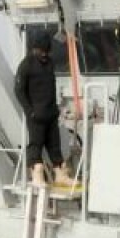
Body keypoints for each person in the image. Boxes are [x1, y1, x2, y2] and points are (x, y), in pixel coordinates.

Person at [14, 32, 77, 187]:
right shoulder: (26, 65)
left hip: (50, 112)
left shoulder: (49, 63)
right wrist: (30, 111)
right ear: (35, 49)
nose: (43, 54)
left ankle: (60, 174)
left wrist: (55, 109)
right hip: (36, 114)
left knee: (55, 145)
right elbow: (19, 90)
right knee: (36, 144)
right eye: (41, 51)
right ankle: (36, 175)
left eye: (45, 51)